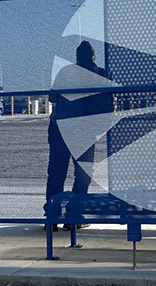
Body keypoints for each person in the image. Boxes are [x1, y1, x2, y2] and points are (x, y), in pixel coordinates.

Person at [45, 41, 112, 229]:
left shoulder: (66, 72)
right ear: (93, 56)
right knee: (83, 173)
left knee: (56, 173)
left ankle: (52, 216)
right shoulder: (99, 73)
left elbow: (52, 97)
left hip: (60, 127)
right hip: (84, 129)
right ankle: (74, 215)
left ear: (76, 56)